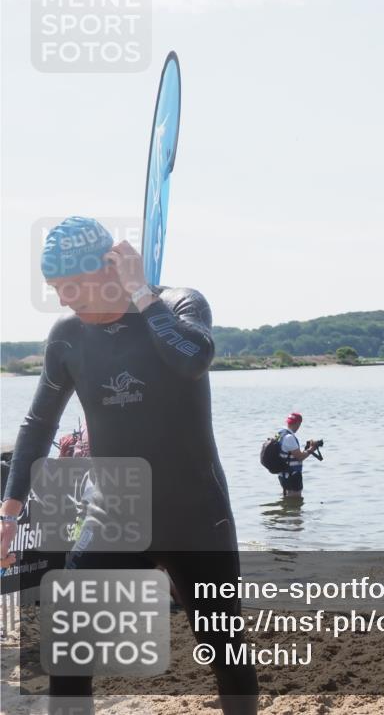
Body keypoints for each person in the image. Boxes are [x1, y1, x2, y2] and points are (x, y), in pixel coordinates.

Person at [0, 217, 258, 714]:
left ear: (110, 267)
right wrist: (9, 511)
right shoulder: (68, 336)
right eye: (55, 288)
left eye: (73, 285)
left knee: (223, 647)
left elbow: (193, 359)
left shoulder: (179, 304)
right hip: (114, 514)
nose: (64, 299)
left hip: (195, 516)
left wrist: (141, 293)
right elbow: (39, 423)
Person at [276, 412, 320, 498]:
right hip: (292, 475)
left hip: (282, 474)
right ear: (298, 423)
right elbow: (300, 457)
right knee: (296, 500)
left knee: (287, 497)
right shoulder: (289, 437)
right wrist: (312, 449)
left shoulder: (279, 433)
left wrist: (307, 449)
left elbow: (288, 454)